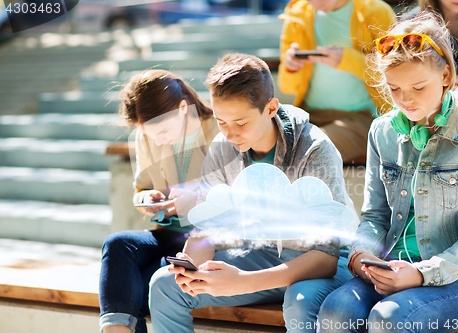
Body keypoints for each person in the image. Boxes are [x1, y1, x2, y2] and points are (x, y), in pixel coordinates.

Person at [316, 12, 458, 333]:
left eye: (418, 86)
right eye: (394, 89)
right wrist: (362, 256)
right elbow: (375, 217)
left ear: (445, 76)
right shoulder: (381, 132)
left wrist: (419, 274)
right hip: (390, 267)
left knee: (389, 319)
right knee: (336, 310)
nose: (405, 99)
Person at [148, 53, 358, 333]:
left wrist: (243, 281)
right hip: (265, 252)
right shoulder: (223, 146)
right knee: (164, 285)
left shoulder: (314, 148)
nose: (231, 135)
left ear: (270, 108)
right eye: (222, 122)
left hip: (327, 262)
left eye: (241, 123)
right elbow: (207, 229)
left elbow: (325, 256)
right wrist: (190, 268)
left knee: (300, 301)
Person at [99, 70, 219, 333]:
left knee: (134, 290)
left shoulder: (219, 129)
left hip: (209, 238)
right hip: (169, 232)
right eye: (150, 134)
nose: (158, 140)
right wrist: (146, 198)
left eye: (163, 131)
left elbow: (235, 191)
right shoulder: (144, 136)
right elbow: (141, 188)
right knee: (117, 243)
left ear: (183, 107)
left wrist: (195, 198)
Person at [277, 0, 395, 164]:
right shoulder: (297, 15)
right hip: (309, 115)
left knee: (309, 149)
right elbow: (287, 86)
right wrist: (291, 68)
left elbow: (396, 71)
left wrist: (347, 59)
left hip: (360, 118)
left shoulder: (376, 11)